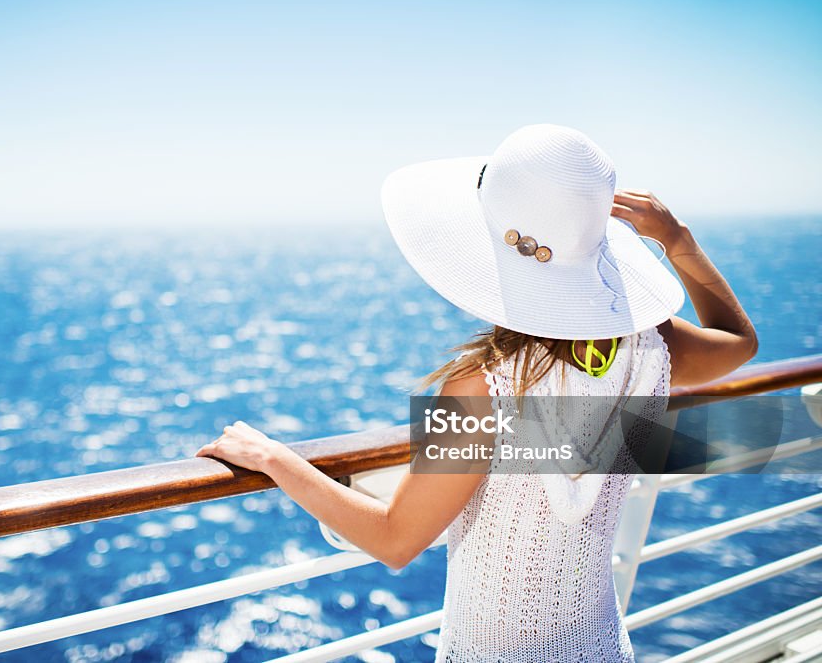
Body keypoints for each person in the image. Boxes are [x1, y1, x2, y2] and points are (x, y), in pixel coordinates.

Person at [195, 124, 757, 661]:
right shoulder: (650, 349)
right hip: (600, 647)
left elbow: (395, 540)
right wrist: (678, 240)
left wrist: (276, 459)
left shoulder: (482, 388)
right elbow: (738, 342)